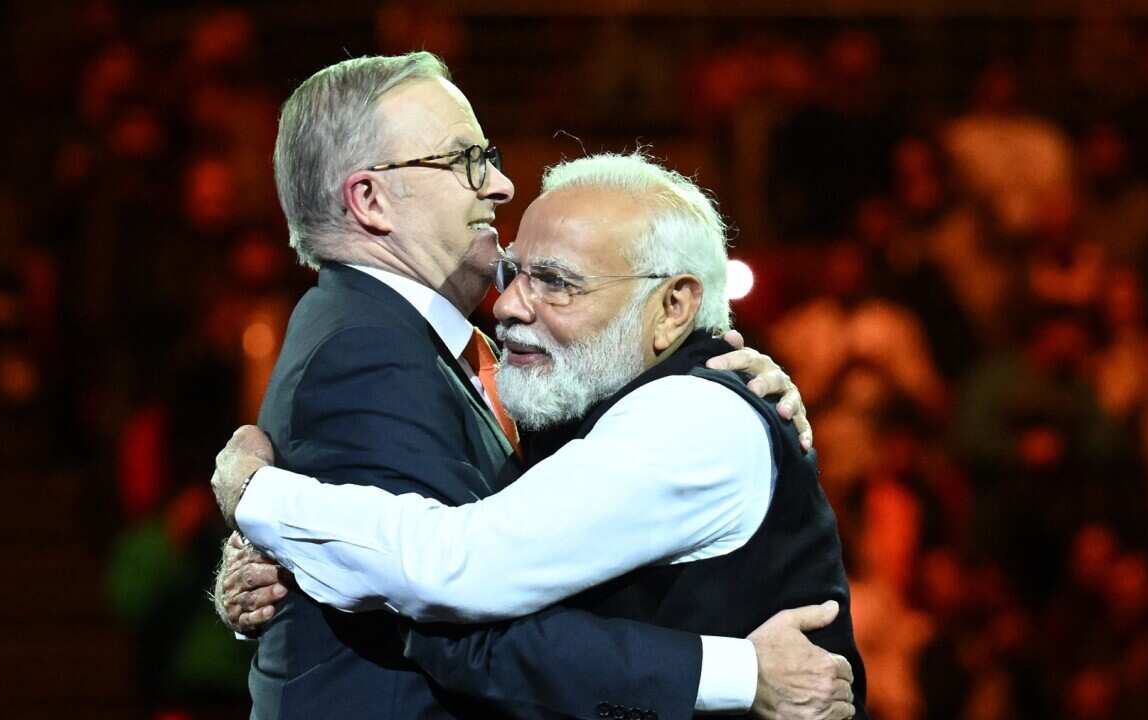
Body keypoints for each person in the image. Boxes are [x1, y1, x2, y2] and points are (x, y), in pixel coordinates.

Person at [216, 51, 850, 720]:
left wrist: (258, 498)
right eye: (465, 160)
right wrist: (284, 552)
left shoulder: (687, 412)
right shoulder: (368, 350)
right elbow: (448, 587)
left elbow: (447, 572)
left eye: (556, 281)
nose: (499, 184)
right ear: (370, 200)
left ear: (673, 307)